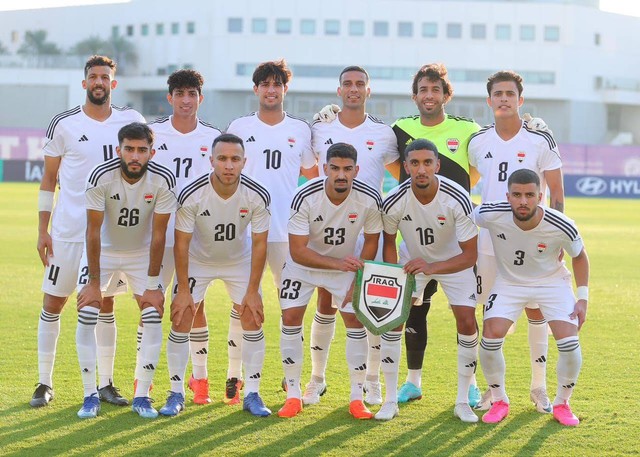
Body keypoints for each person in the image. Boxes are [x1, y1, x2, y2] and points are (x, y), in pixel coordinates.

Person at [32, 55, 145, 408]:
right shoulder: (63, 124)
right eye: (93, 77)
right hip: (68, 230)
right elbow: (49, 181)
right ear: (84, 83)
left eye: (105, 77)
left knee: (105, 304)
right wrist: (43, 230)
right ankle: (44, 382)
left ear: (114, 83)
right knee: (54, 302)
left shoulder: (131, 120)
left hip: (111, 235)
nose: (99, 82)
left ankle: (106, 384)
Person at [468, 70, 564, 412]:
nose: (504, 98)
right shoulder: (478, 142)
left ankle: (539, 388)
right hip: (490, 242)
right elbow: (469, 183)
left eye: (510, 93)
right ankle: (494, 392)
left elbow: (556, 194)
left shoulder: (540, 139)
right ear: (490, 100)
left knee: (537, 310)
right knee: (490, 312)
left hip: (534, 240)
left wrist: (558, 241)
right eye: (498, 94)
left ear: (520, 101)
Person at [305, 65, 400, 407]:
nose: (354, 89)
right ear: (339, 90)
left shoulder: (384, 133)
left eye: (360, 84)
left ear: (368, 91)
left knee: (366, 310)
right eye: (347, 83)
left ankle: (371, 382)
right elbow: (307, 168)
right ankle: (317, 378)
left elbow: (401, 172)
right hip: (324, 230)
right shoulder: (319, 129)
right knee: (325, 304)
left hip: (366, 229)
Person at [159, 133, 272, 417]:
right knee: (182, 315)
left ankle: (253, 393)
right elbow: (182, 243)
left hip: (239, 260)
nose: (228, 165)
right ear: (211, 161)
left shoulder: (257, 194)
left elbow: (260, 244)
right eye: (222, 159)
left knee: (252, 315)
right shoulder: (192, 193)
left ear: (244, 162)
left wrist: (253, 290)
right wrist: (183, 289)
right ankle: (176, 392)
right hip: (199, 260)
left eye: (235, 159)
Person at [225, 59, 316, 405]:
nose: (271, 89)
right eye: (264, 84)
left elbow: (312, 173)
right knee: (242, 304)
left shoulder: (300, 129)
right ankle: (236, 374)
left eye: (277, 84)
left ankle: (292, 378)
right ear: (256, 90)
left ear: (284, 90)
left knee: (291, 306)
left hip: (286, 232)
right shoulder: (239, 126)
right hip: (245, 231)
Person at [75, 122, 176, 419]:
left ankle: (142, 396)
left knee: (152, 314)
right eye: (129, 149)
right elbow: (92, 231)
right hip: (103, 252)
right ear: (119, 150)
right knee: (88, 310)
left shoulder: (163, 180)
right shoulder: (100, 176)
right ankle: (89, 395)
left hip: (140, 254)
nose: (135, 156)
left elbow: (159, 235)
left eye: (141, 150)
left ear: (151, 152)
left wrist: (154, 284)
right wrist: (93, 282)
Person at [472, 169, 589, 426]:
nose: (523, 201)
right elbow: (462, 209)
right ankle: (500, 399)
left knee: (569, 342)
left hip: (551, 283)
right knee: (490, 336)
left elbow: (579, 256)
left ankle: (562, 403)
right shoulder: (491, 213)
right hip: (509, 282)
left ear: (540, 196)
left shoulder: (561, 224)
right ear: (508, 196)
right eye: (516, 194)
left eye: (529, 195)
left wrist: (582, 298)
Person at [277, 142, 383, 420]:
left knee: (356, 322)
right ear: (324, 169)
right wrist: (339, 264)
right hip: (303, 266)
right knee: (290, 318)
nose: (341, 175)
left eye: (348, 169)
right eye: (335, 168)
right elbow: (298, 251)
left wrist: (359, 277)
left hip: (345, 265)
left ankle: (357, 397)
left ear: (356, 170)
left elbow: (372, 240)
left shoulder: (369, 198)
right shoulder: (305, 196)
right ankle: (292, 395)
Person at [380, 139, 479, 423]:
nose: (421, 169)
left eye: (427, 163)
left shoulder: (456, 197)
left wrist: (432, 266)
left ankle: (463, 399)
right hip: (412, 262)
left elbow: (470, 255)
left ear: (437, 165)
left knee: (467, 321)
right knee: (394, 320)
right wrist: (393, 275)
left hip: (455, 261)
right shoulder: (395, 200)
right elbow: (389, 242)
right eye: (414, 163)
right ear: (406, 166)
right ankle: (388, 400)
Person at [149, 69, 221, 405]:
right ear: (170, 98)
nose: (186, 100)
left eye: (192, 94)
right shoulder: (152, 134)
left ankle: (200, 379)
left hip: (197, 235)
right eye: (180, 93)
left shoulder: (213, 137)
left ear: (200, 98)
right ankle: (144, 378)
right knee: (150, 303)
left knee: (195, 305)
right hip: (157, 233)